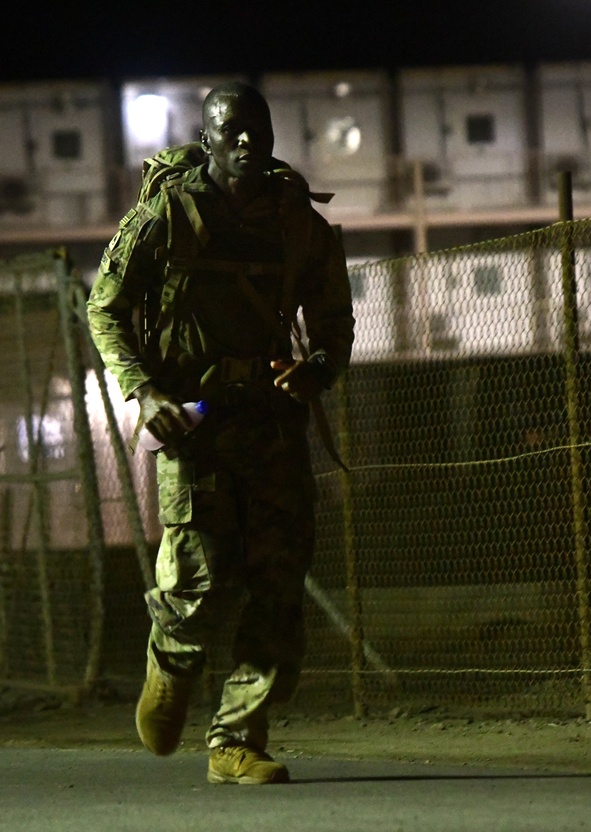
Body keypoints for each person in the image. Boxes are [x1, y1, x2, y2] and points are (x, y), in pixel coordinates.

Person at [87, 81, 354, 785]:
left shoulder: (296, 223)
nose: (246, 141)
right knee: (198, 584)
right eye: (231, 129)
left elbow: (334, 319)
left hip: (269, 422)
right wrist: (143, 395)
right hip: (192, 425)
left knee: (278, 584)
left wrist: (317, 369)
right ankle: (172, 655)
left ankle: (237, 739)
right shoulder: (165, 217)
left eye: (256, 128)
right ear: (206, 140)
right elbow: (104, 307)